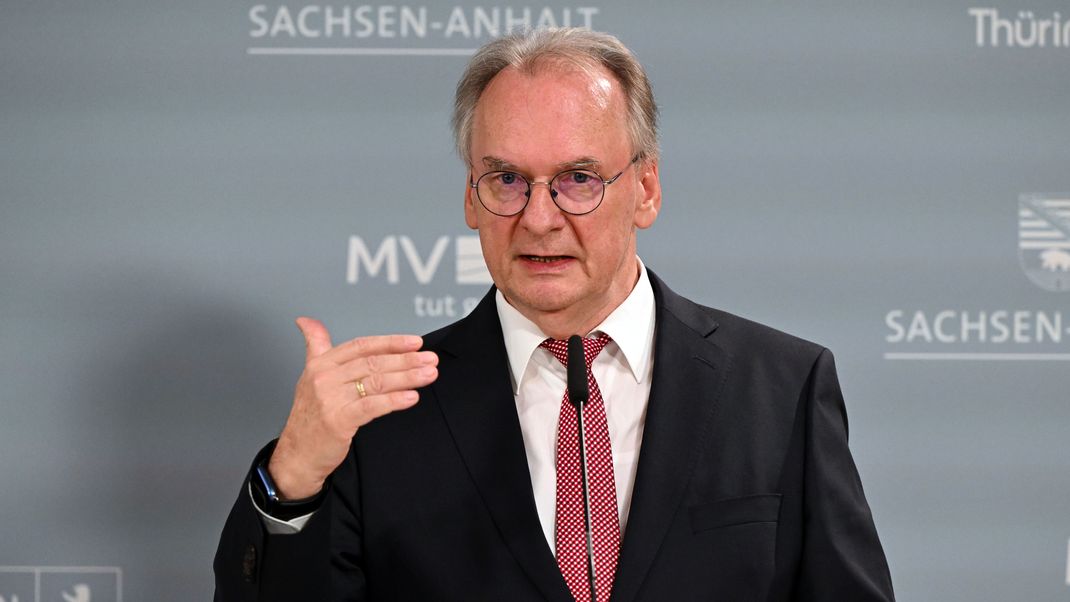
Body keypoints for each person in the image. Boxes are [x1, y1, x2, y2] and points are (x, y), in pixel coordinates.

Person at [214, 28, 895, 601]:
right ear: (471, 200)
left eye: (578, 179)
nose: (540, 219)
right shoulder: (386, 409)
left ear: (646, 188)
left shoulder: (780, 387)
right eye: (507, 180)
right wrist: (293, 478)